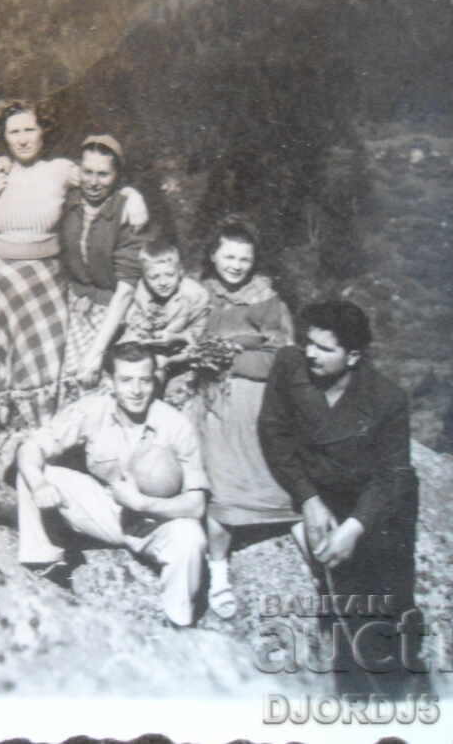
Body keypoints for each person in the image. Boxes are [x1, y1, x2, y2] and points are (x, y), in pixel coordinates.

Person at [0, 99, 147, 491]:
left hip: (44, 283)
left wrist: (134, 195)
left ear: (43, 131)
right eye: (14, 131)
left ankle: (30, 452)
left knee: (37, 366)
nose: (23, 138)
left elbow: (106, 185)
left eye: (29, 129)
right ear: (3, 136)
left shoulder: (62, 171)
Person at [259, 300, 423, 698]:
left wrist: (355, 527)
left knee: (385, 596)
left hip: (373, 502)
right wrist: (309, 498)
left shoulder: (386, 398)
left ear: (353, 356)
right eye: (308, 342)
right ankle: (352, 698)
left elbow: (392, 475)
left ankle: (394, 695)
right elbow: (274, 435)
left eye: (324, 348)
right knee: (342, 594)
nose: (310, 353)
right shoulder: (289, 365)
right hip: (321, 491)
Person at [16, 341, 209, 627]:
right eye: (126, 380)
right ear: (110, 382)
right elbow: (31, 448)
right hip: (107, 511)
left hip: (156, 521)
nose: (136, 390)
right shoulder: (92, 410)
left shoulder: (176, 425)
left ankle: (178, 620)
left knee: (191, 539)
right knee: (35, 471)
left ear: (154, 381)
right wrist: (40, 485)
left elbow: (196, 505)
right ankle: (42, 561)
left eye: (144, 380)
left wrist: (144, 504)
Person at [194, 216, 297, 619]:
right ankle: (217, 568)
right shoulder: (200, 293)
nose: (235, 265)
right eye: (228, 256)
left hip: (249, 398)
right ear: (214, 256)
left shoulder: (267, 301)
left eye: (244, 258)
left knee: (262, 483)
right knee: (208, 482)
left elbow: (283, 357)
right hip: (203, 397)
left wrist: (232, 355)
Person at [58, 134, 150, 404]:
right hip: (74, 306)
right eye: (87, 172)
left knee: (94, 381)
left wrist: (96, 351)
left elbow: (125, 289)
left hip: (113, 312)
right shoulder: (68, 201)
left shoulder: (126, 211)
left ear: (117, 176)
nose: (94, 182)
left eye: (103, 174)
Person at [118, 239, 211, 404]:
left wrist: (176, 337)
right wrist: (140, 331)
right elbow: (131, 323)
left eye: (169, 275)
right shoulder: (140, 292)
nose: (162, 283)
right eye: (154, 277)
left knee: (162, 375)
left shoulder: (195, 295)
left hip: (181, 356)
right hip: (146, 351)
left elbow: (200, 337)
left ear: (180, 271)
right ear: (145, 277)